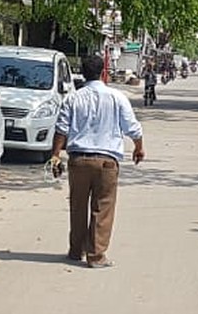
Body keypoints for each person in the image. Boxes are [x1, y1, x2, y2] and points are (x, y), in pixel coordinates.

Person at [51, 53, 146, 268]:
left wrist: (55, 155)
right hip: (106, 162)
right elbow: (132, 127)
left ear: (83, 74)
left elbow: (61, 129)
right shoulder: (116, 97)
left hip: (79, 160)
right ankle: (96, 256)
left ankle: (76, 251)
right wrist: (139, 148)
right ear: (103, 72)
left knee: (78, 206)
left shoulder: (73, 97)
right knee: (103, 207)